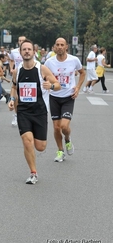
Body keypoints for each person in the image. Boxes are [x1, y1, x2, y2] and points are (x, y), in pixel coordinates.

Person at [8, 39, 60, 184]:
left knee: (40, 146)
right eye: (24, 49)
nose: (26, 51)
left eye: (29, 49)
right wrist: (12, 99)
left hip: (40, 112)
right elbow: (13, 86)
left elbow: (58, 85)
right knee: (27, 141)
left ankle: (36, 161)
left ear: (34, 52)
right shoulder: (17, 71)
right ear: (20, 52)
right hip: (23, 112)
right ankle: (33, 172)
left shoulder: (41, 69)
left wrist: (50, 85)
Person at [44, 38, 85, 163]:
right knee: (56, 128)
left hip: (68, 97)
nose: (60, 47)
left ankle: (67, 139)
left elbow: (82, 73)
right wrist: (47, 83)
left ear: (66, 46)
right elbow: (43, 75)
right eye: (58, 45)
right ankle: (60, 151)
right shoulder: (49, 62)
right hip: (54, 97)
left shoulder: (74, 60)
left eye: (62, 45)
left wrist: (77, 88)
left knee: (64, 126)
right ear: (54, 47)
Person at [9, 36, 26, 126]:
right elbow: (11, 60)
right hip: (17, 75)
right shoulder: (14, 52)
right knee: (15, 96)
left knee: (22, 97)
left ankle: (23, 115)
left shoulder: (28, 51)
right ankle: (16, 115)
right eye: (19, 40)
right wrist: (11, 68)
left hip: (26, 75)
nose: (21, 42)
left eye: (23, 40)